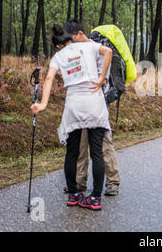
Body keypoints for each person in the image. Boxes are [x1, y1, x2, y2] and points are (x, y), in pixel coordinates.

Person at [31, 24, 113, 211]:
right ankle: (95, 198)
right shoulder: (89, 46)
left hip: (74, 105)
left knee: (72, 153)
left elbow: (49, 78)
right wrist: (101, 79)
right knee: (97, 152)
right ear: (71, 38)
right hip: (94, 103)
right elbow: (108, 51)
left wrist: (43, 104)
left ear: (59, 46)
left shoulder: (58, 56)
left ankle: (74, 195)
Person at [63, 18, 120, 197]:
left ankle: (112, 182)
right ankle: (79, 182)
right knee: (80, 144)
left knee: (103, 144)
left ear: (80, 33)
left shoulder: (98, 50)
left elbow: (100, 77)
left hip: (97, 103)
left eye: (73, 38)